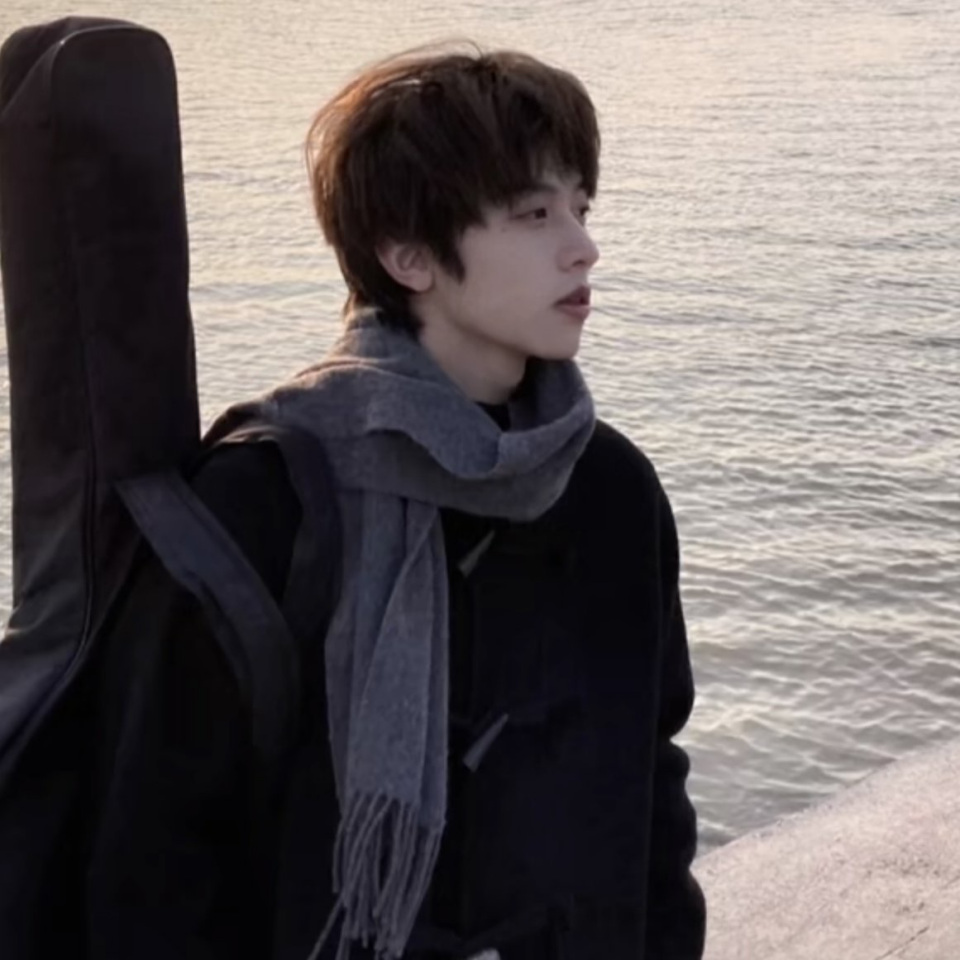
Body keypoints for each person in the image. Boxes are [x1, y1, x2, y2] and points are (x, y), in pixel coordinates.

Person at [84, 46, 706, 960]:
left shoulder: (609, 487)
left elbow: (651, 780)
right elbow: (155, 857)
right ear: (408, 254)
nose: (583, 246)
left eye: (581, 206)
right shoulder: (264, 499)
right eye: (534, 213)